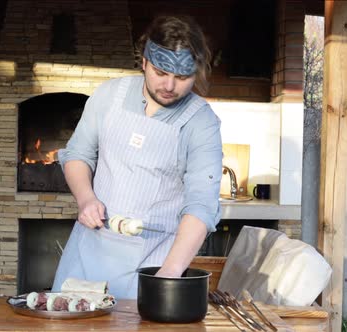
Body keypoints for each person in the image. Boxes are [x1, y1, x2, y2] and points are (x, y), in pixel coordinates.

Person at [51, 15, 223, 299]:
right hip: (87, 250)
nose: (169, 86)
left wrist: (168, 276)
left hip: (151, 262)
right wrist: (86, 199)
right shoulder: (109, 95)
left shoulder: (202, 123)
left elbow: (201, 207)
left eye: (182, 77)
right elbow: (78, 154)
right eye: (160, 72)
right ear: (143, 61)